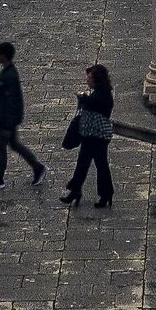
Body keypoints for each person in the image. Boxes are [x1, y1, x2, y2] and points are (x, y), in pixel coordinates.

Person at [0, 41, 45, 191]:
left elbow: (10, 102)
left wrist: (7, 125)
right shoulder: (8, 72)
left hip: (6, 121)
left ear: (3, 55)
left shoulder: (9, 76)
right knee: (13, 144)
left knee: (1, 147)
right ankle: (37, 167)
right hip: (4, 119)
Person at [60, 63, 115, 209]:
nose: (87, 80)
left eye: (89, 77)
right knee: (82, 163)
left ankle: (106, 193)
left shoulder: (102, 94)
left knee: (100, 164)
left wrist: (83, 96)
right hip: (90, 135)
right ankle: (75, 191)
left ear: (97, 79)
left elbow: (93, 104)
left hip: (98, 136)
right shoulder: (99, 91)